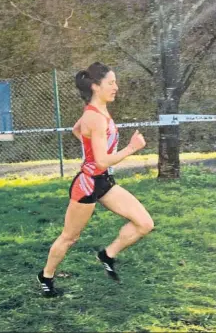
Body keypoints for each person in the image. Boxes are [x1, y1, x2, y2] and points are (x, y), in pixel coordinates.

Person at [37, 62, 154, 297]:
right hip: (88, 184)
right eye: (110, 83)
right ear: (95, 86)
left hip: (104, 182)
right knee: (70, 237)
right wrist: (132, 148)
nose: (116, 87)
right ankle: (46, 276)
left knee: (144, 224)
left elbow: (76, 130)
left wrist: (88, 148)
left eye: (115, 82)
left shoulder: (96, 112)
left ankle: (107, 255)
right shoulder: (96, 118)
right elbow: (101, 162)